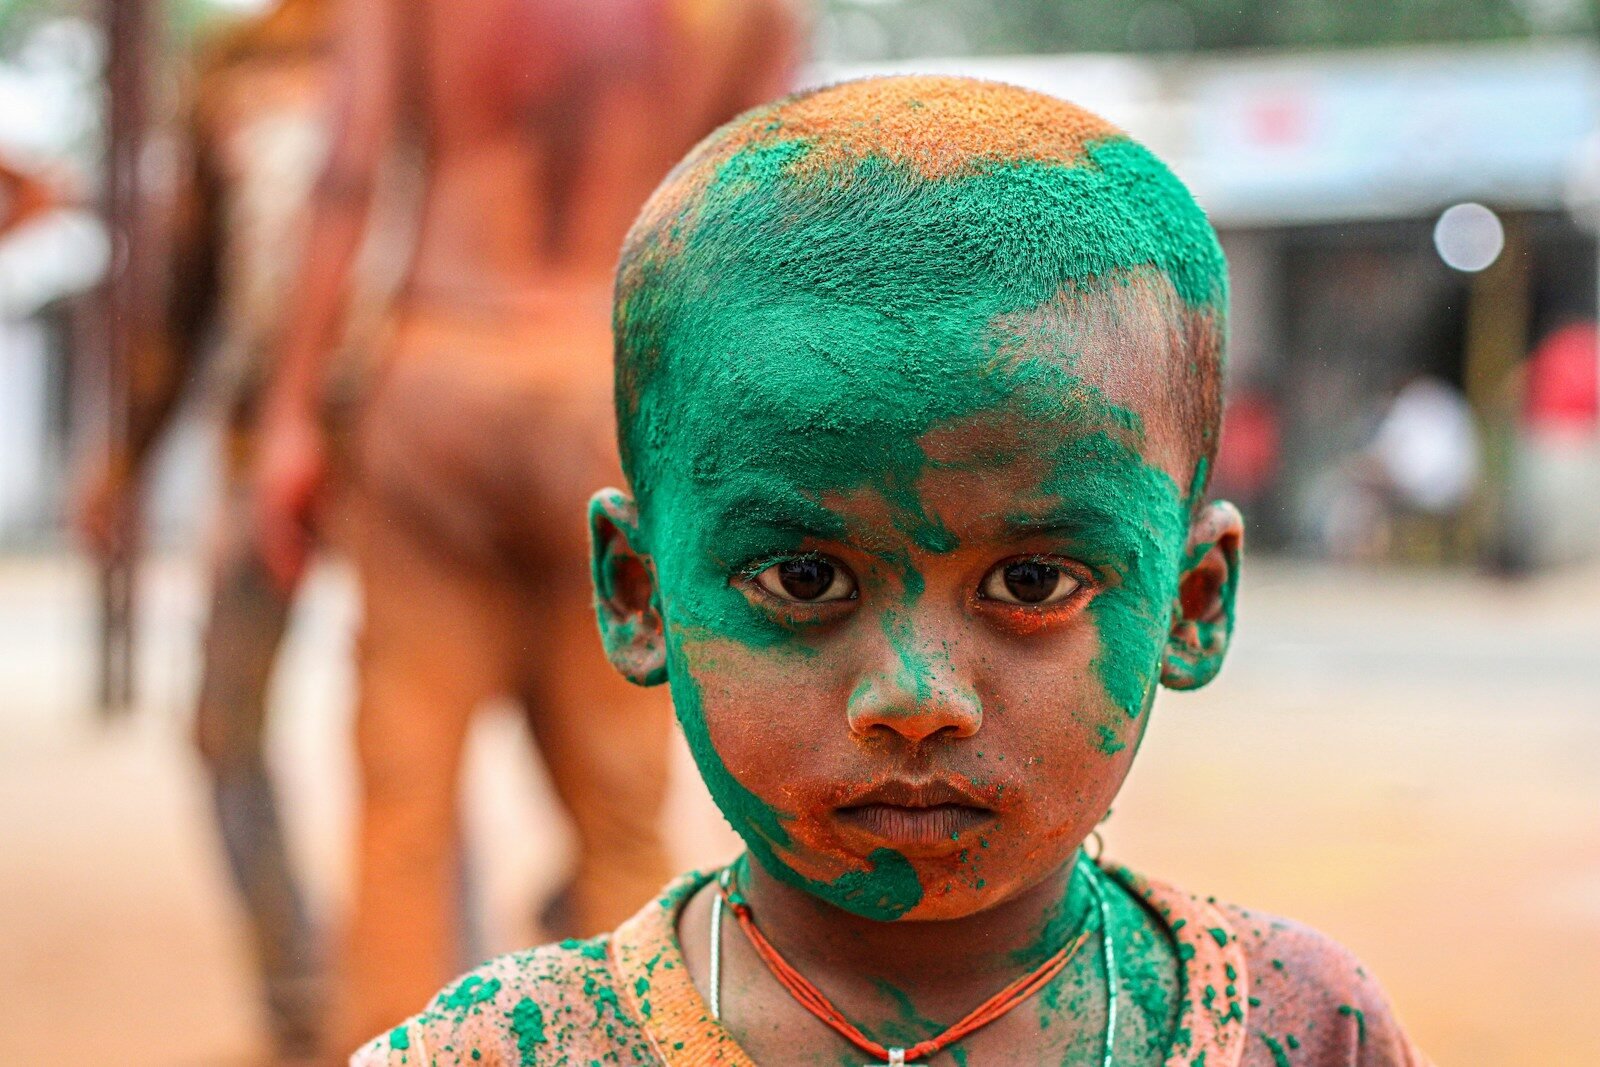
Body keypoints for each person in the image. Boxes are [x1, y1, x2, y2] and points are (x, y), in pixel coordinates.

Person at [350, 77, 1431, 1066]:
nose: (916, 698)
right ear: (636, 592)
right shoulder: (498, 1053)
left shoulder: (1301, 1027)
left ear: (1193, 602)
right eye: (805, 580)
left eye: (1034, 583)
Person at [252, 0, 804, 1055]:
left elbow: (346, 171)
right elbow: (753, 214)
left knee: (402, 809)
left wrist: (289, 415)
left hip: (439, 369)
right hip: (613, 390)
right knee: (620, 813)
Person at [75, 1, 334, 1059]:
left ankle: (442, 985)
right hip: (254, 448)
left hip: (409, 456)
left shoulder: (449, 42)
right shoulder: (236, 62)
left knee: (415, 729)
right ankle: (299, 990)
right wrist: (128, 456)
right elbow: (189, 284)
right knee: (223, 724)